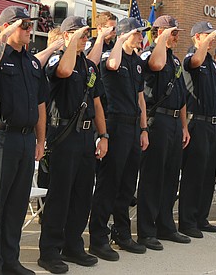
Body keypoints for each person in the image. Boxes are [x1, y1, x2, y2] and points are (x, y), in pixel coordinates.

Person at [0, 6, 47, 275]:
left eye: (30, 25)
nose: (30, 30)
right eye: (24, 25)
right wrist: (1, 37)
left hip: (26, 140)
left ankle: (10, 260)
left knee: (17, 204)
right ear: (7, 27)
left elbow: (41, 104)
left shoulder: (32, 62)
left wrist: (41, 141)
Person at [37, 17, 108, 274]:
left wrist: (104, 135)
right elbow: (64, 72)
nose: (84, 38)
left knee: (82, 194)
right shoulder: (59, 59)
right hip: (63, 134)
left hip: (86, 137)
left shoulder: (89, 67)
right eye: (79, 34)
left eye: (86, 34)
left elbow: (97, 103)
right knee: (60, 195)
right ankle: (50, 250)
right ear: (66, 36)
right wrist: (69, 43)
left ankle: (73, 244)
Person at [88, 17, 149, 260]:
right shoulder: (109, 56)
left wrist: (144, 129)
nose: (140, 37)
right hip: (115, 124)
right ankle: (98, 238)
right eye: (136, 33)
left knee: (126, 185)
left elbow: (141, 98)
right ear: (124, 34)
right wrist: (119, 39)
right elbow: (112, 64)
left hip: (133, 126)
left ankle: (122, 233)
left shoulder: (136, 61)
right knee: (109, 183)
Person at [136, 15, 191, 250]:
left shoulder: (176, 61)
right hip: (156, 122)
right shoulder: (150, 54)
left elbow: (181, 97)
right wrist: (162, 39)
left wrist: (184, 126)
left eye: (177, 33)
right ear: (160, 32)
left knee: (170, 178)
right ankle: (146, 231)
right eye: (173, 33)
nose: (176, 37)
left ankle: (166, 226)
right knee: (152, 178)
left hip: (174, 123)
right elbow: (156, 66)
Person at [178, 22, 216, 239]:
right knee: (194, 174)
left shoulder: (212, 63)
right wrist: (203, 43)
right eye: (207, 35)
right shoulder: (191, 58)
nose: (212, 39)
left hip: (213, 124)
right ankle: (187, 221)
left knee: (207, 174)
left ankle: (201, 217)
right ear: (197, 37)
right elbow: (194, 62)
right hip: (198, 123)